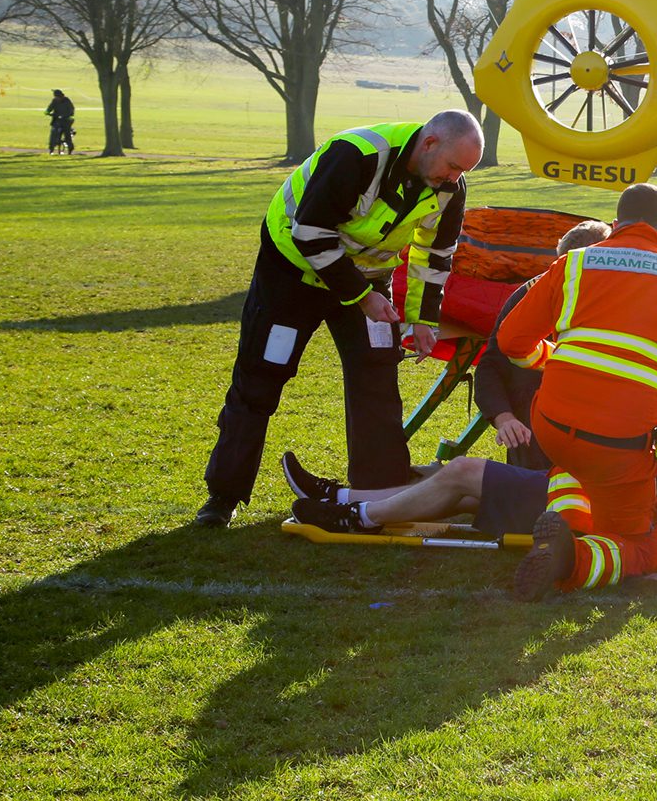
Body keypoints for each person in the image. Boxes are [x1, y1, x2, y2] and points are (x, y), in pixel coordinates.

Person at [194, 110, 483, 529]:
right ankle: (224, 496)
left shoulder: (448, 186)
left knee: (377, 377)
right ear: (429, 144)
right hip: (292, 275)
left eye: (464, 172)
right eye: (453, 167)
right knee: (261, 379)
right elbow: (309, 232)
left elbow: (434, 256)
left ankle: (379, 493)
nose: (454, 179)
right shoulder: (355, 154)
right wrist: (364, 299)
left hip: (366, 279)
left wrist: (423, 320)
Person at [498, 182, 657, 601]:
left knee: (571, 465)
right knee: (643, 546)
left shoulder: (573, 264)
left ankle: (565, 527)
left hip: (552, 425)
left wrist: (551, 358)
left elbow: (511, 341)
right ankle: (574, 560)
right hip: (620, 446)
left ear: (614, 226)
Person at [478, 219, 612, 471]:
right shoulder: (529, 296)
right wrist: (504, 417)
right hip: (534, 433)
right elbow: (491, 365)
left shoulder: (619, 301)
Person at [284, 452, 550, 539]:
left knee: (462, 470)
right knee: (465, 492)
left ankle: (360, 517)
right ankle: (342, 498)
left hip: (571, 496)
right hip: (567, 484)